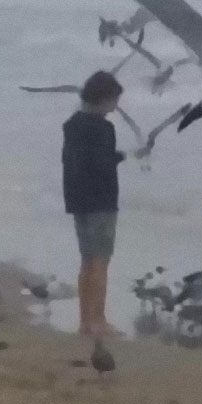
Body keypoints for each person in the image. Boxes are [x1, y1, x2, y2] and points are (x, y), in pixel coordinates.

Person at [62, 70, 125, 337]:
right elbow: (101, 165)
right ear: (104, 98)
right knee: (100, 261)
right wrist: (118, 156)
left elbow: (73, 161)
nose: (115, 107)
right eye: (114, 100)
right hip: (101, 200)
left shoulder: (73, 124)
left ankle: (85, 321)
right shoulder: (103, 128)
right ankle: (98, 320)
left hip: (77, 198)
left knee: (86, 261)